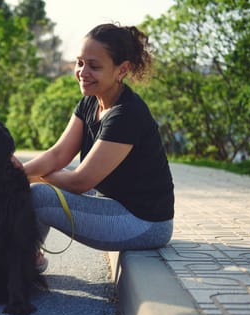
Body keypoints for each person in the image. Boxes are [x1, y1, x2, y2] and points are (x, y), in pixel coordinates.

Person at [12, 23, 175, 272]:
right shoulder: (90, 101)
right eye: (80, 62)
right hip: (113, 205)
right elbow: (57, 155)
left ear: (122, 70)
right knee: (33, 181)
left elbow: (81, 181)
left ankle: (20, 265)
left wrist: (36, 176)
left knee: (39, 194)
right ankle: (26, 258)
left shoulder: (126, 114)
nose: (82, 72)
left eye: (94, 66)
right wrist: (18, 173)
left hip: (145, 224)